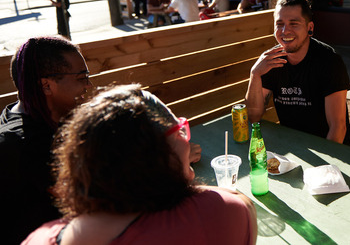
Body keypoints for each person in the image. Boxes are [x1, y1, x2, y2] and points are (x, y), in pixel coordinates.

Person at [22, 84, 257, 245]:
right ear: (154, 152)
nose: (187, 140)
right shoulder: (223, 212)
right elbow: (238, 205)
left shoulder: (39, 238)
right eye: (181, 131)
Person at [0, 36, 92, 244]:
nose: (89, 85)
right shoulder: (21, 146)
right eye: (81, 77)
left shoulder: (50, 116)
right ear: (46, 86)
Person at [245, 0, 350, 145]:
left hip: (331, 149)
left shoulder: (329, 61)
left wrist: (324, 168)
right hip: (294, 145)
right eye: (280, 24)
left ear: (310, 28)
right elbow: (254, 116)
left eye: (294, 23)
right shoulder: (272, 61)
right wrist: (255, 74)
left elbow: (338, 127)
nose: (284, 31)